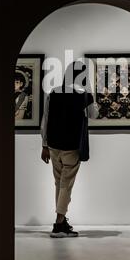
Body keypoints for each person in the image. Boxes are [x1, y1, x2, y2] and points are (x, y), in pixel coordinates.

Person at [41, 61, 98, 238]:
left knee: (59, 183)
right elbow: (93, 114)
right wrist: (90, 91)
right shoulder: (84, 95)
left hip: (53, 145)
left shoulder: (53, 92)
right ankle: (59, 223)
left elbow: (46, 120)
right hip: (71, 146)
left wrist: (44, 145)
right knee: (66, 184)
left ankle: (61, 220)